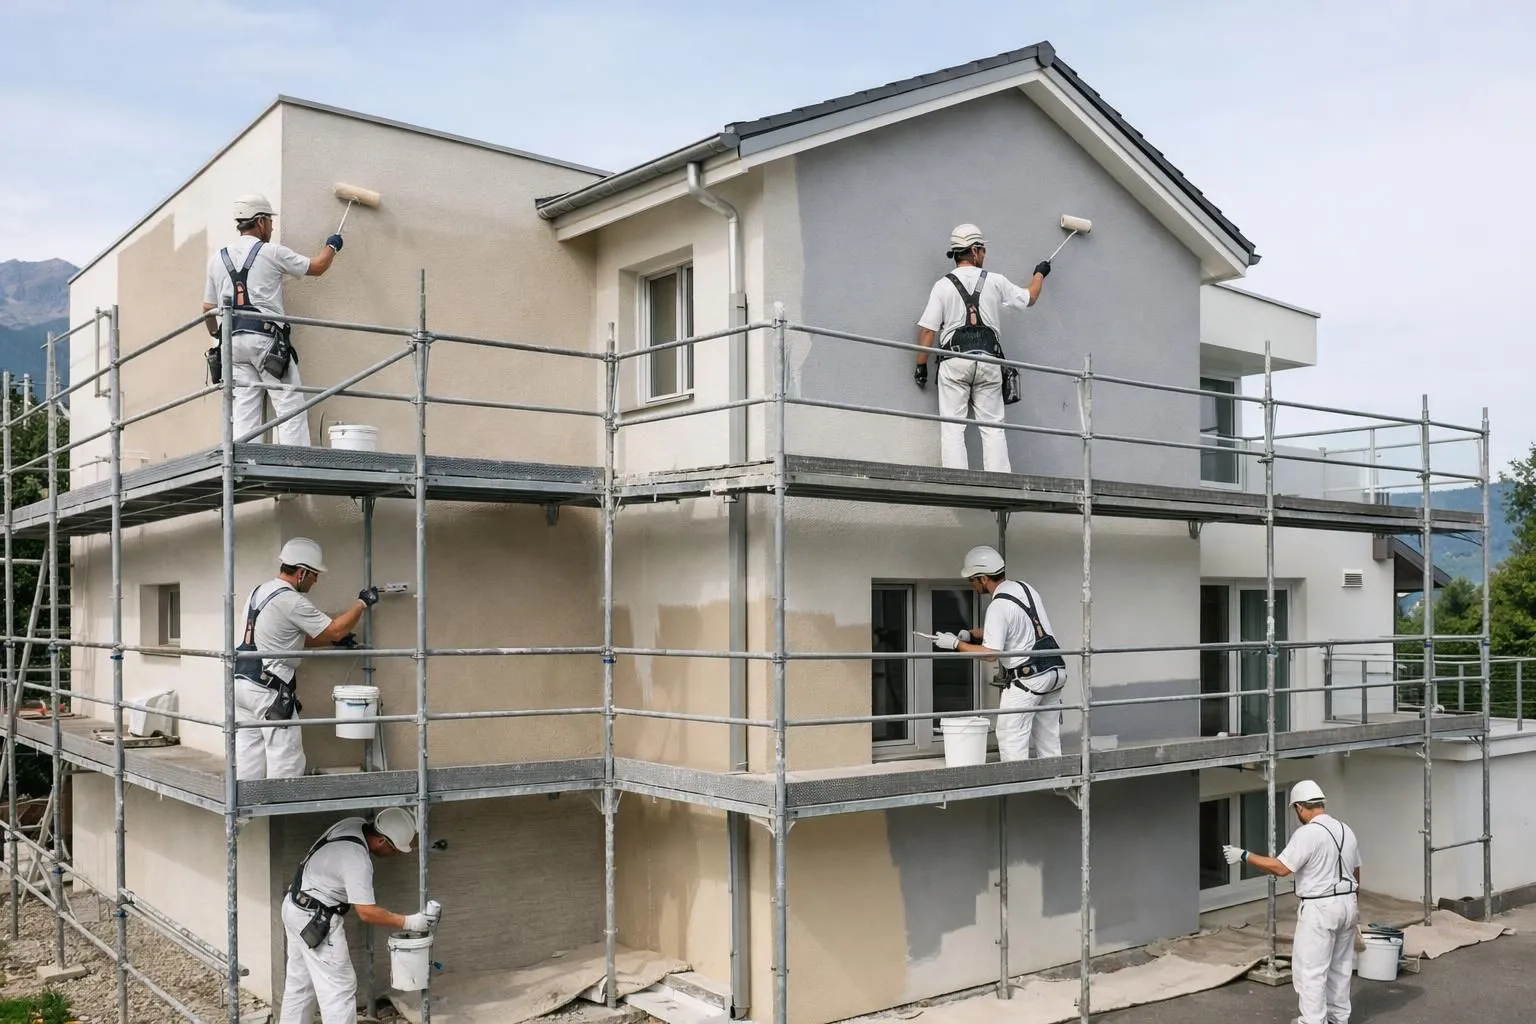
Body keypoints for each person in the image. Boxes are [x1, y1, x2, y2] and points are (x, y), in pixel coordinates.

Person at [203, 193, 344, 446]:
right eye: (269, 220)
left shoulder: (217, 258)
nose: (272, 226)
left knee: (245, 407)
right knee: (288, 401)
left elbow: (207, 308)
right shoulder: (271, 252)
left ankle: (246, 460)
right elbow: (319, 266)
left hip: (232, 342)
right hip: (266, 339)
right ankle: (295, 462)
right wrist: (332, 246)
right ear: (259, 221)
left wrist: (216, 336)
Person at [280, 807, 442, 1024]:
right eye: (394, 849)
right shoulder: (357, 860)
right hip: (316, 921)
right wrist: (410, 922)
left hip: (295, 905)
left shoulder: (353, 824)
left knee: (300, 983)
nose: (394, 855)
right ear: (381, 842)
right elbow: (366, 912)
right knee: (339, 988)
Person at [235, 537, 378, 780]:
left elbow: (293, 637)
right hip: (268, 689)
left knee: (250, 751)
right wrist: (361, 604)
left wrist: (332, 641)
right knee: (285, 754)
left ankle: (247, 811)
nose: (316, 580)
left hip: (243, 683)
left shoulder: (258, 592)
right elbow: (335, 629)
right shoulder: (291, 600)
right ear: (301, 572)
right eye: (314, 574)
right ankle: (280, 809)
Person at [913, 224, 1049, 473]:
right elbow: (1030, 298)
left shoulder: (942, 286)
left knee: (953, 425)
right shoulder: (995, 281)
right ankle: (999, 480)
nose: (984, 254)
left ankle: (957, 480)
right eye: (983, 250)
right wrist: (1039, 274)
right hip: (989, 361)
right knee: (993, 426)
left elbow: (928, 331)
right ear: (974, 251)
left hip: (954, 360)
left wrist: (921, 365)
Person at [1223, 781, 1362, 1024]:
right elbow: (1356, 869)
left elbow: (1281, 868)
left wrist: (1244, 855)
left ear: (1299, 808)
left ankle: (1313, 1021)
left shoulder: (1308, 833)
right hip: (1348, 903)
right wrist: (1353, 902)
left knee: (1311, 970)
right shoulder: (1345, 829)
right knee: (1340, 968)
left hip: (1320, 908)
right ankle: (1338, 1019)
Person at [932, 545, 1068, 762]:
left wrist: (956, 644)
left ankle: (1018, 785)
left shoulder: (998, 606)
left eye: (972, 580)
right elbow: (1016, 628)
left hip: (1029, 679)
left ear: (983, 578)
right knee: (1047, 736)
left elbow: (990, 654)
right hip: (1054, 671)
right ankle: (1056, 779)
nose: (972, 584)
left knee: (1010, 735)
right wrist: (970, 634)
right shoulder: (1024, 589)